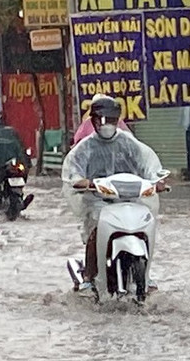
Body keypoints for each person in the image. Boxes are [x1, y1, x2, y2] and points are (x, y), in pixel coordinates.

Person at [62, 95, 163, 294]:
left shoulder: (129, 143)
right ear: (93, 121)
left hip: (130, 199)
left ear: (118, 120)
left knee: (146, 228)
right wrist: (83, 182)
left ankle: (146, 275)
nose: (106, 124)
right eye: (101, 119)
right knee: (95, 230)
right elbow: (73, 172)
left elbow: (148, 165)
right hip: (99, 202)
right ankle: (89, 276)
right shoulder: (85, 148)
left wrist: (157, 181)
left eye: (111, 119)